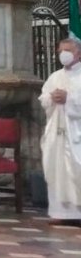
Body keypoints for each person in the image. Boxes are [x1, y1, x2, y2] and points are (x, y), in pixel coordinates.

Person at [39, 37, 81, 224]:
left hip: (77, 132)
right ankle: (61, 212)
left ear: (78, 53)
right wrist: (51, 98)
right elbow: (43, 98)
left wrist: (69, 99)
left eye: (68, 50)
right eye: (60, 51)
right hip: (57, 131)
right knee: (56, 168)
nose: (63, 54)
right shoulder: (55, 76)